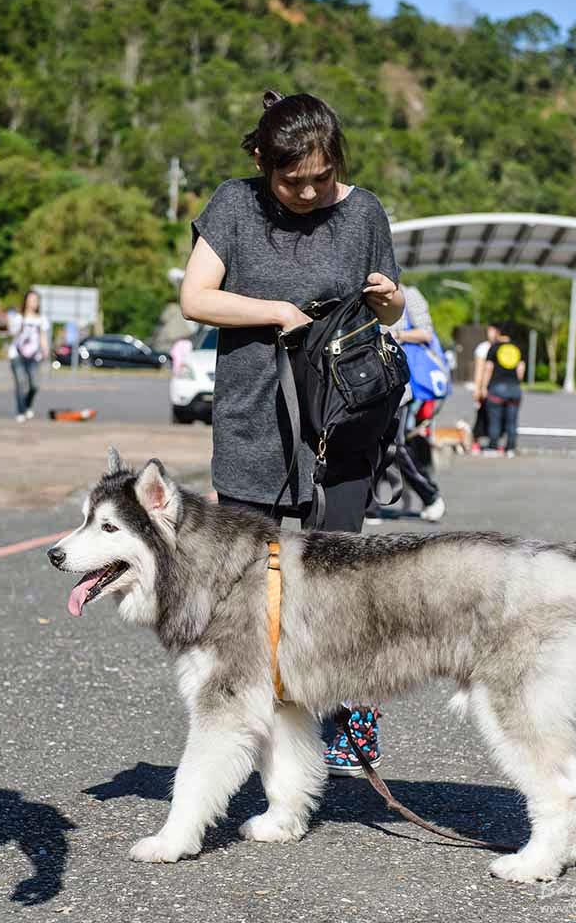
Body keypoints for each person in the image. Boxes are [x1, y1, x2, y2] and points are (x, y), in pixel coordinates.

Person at [179, 89, 404, 775]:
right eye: (292, 179)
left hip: (339, 427)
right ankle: (251, 730)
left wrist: (390, 299)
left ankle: (347, 715)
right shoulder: (234, 205)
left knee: (339, 584)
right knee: (248, 588)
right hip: (254, 419)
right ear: (261, 160)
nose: (308, 192)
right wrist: (274, 309)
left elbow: (388, 311)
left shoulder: (363, 210)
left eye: (322, 177)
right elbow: (196, 297)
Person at [390, 284, 446, 522]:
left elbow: (426, 334)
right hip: (365, 380)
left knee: (397, 444)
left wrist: (397, 335)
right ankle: (368, 506)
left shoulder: (409, 294)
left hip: (401, 381)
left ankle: (430, 495)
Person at [481, 323, 525, 457]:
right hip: (514, 388)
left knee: (495, 419)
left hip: (497, 387)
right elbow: (520, 371)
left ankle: (493, 446)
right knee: (512, 420)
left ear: (499, 332)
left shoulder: (494, 347)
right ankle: (510, 448)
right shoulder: (518, 348)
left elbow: (488, 368)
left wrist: (483, 387)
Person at [8, 290, 50, 422]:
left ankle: (27, 404)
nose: (33, 302)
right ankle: (21, 411)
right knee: (21, 382)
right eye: (31, 299)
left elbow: (43, 337)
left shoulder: (42, 319)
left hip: (34, 356)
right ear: (26, 301)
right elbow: (12, 334)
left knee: (34, 385)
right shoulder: (18, 318)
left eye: (36, 300)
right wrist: (18, 325)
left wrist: (46, 350)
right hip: (17, 355)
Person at [471, 323, 501, 454]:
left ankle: (493, 442)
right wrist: (478, 388)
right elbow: (479, 370)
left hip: (497, 387)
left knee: (496, 417)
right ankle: (475, 442)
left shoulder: (501, 347)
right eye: (490, 330)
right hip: (486, 387)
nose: (492, 333)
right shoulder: (483, 348)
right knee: (481, 416)